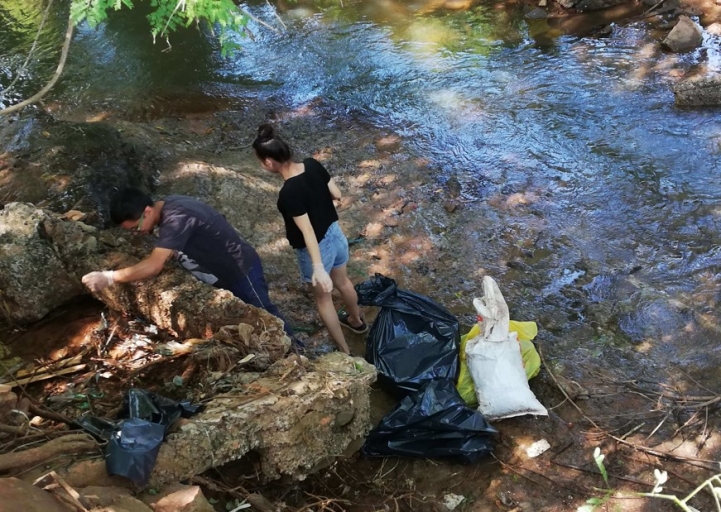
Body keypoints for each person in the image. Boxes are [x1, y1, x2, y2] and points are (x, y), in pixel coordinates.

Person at [81, 188, 295, 338]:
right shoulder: (169, 203)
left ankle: (297, 352)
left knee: (267, 317)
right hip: (218, 271)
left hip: (240, 270)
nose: (138, 233)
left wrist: (109, 277)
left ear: (147, 211)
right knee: (246, 316)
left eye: (136, 227)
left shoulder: (176, 218)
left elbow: (154, 265)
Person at [252, 124, 367, 355]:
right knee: (343, 282)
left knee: (323, 299)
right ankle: (356, 322)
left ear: (268, 162)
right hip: (336, 234)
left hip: (317, 249)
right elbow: (338, 194)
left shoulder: (288, 193)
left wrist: (318, 268)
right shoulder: (312, 164)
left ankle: (345, 351)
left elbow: (307, 232)